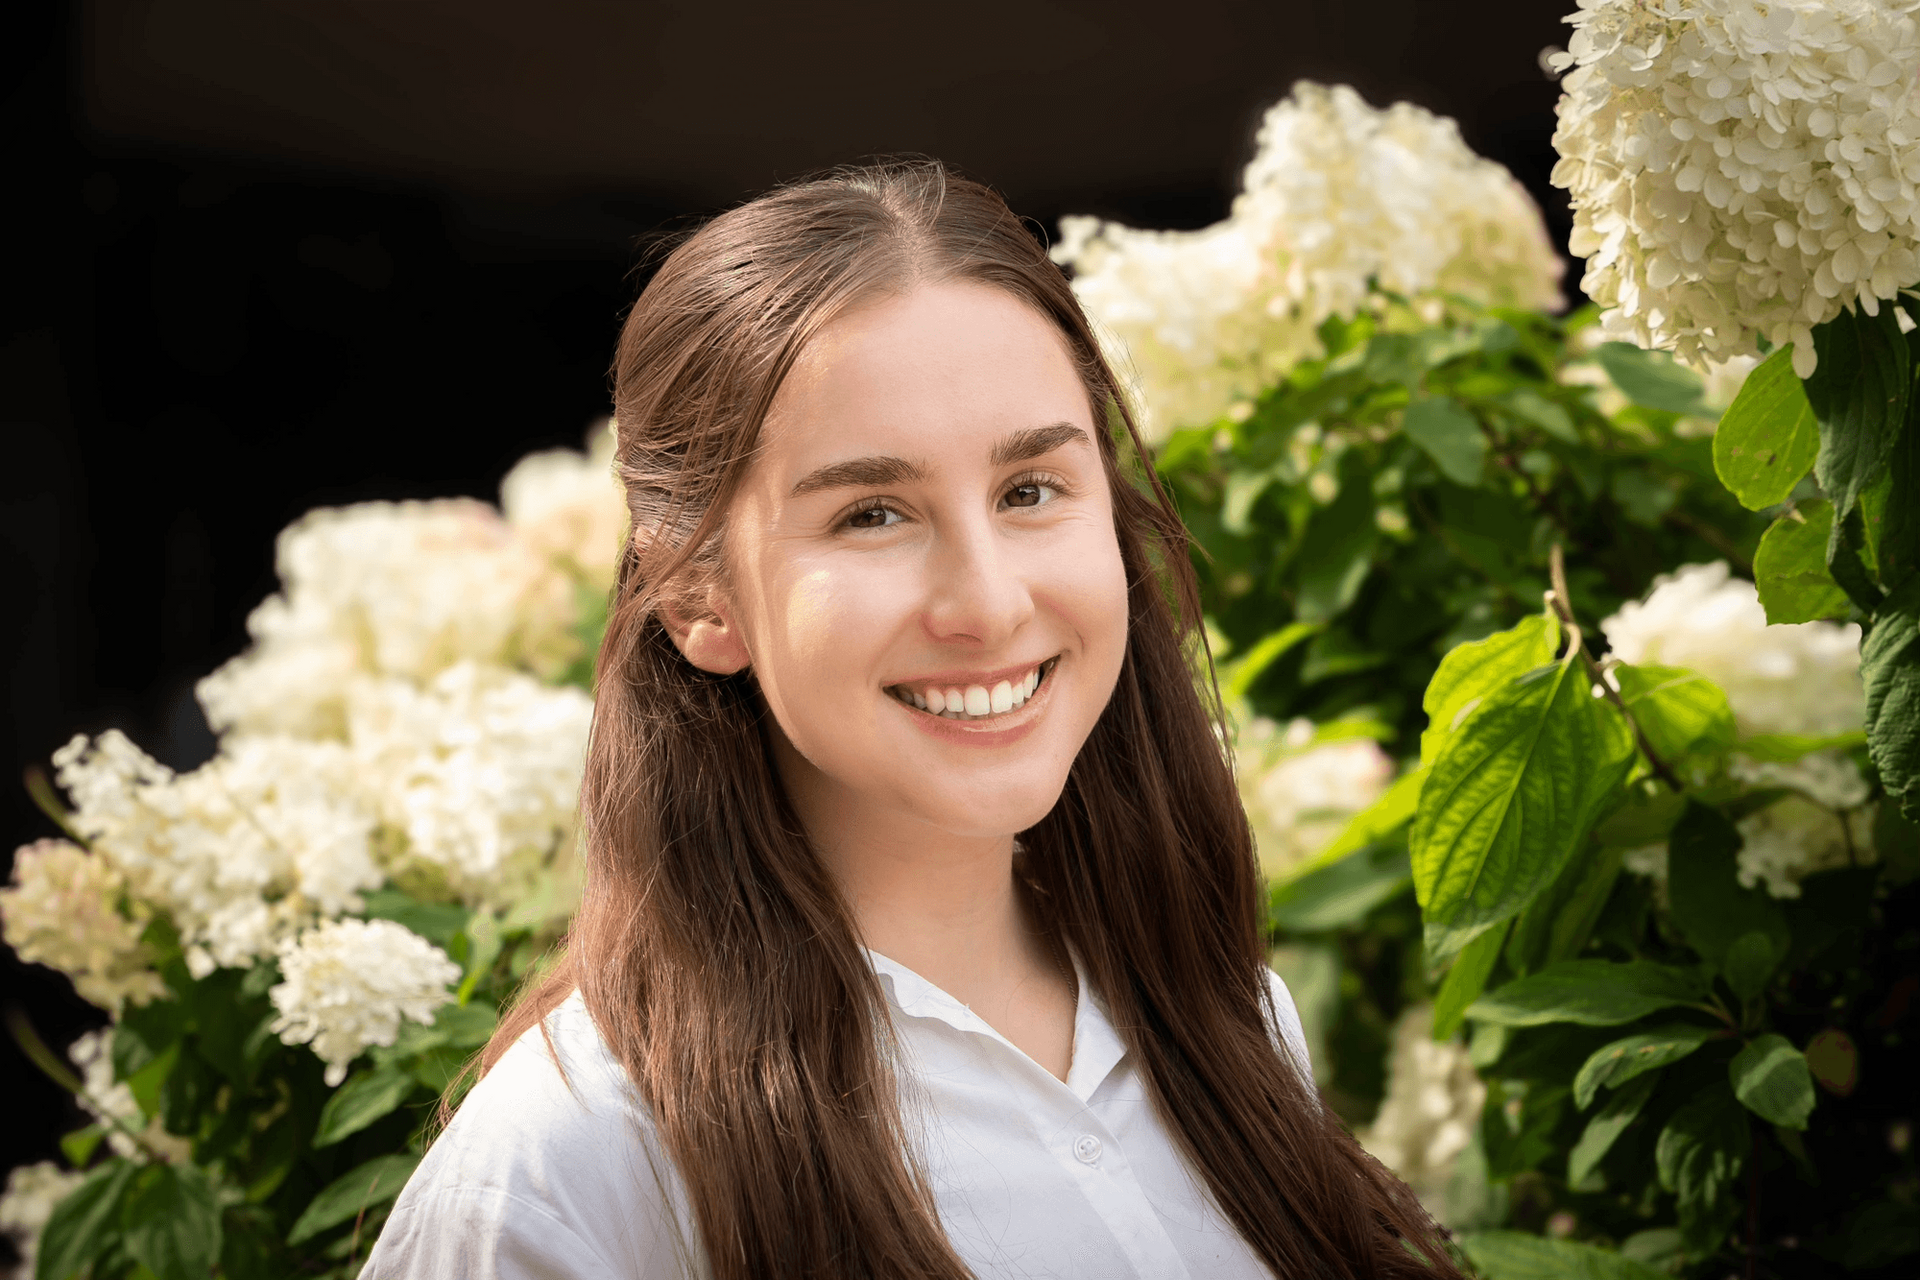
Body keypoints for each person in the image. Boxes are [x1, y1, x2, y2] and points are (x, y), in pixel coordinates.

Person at [361, 161, 1461, 1279]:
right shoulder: (577, 1163)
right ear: (696, 595)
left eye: (1030, 489)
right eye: (872, 513)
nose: (989, 602)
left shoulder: (1234, 1023)